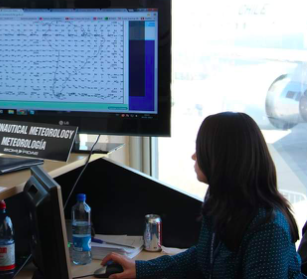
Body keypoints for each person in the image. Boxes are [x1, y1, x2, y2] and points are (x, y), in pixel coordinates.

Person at [102, 112, 305, 279]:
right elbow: (201, 258)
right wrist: (140, 270)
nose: (194, 156)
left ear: (221, 157)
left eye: (201, 148)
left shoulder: (268, 227)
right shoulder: (221, 201)